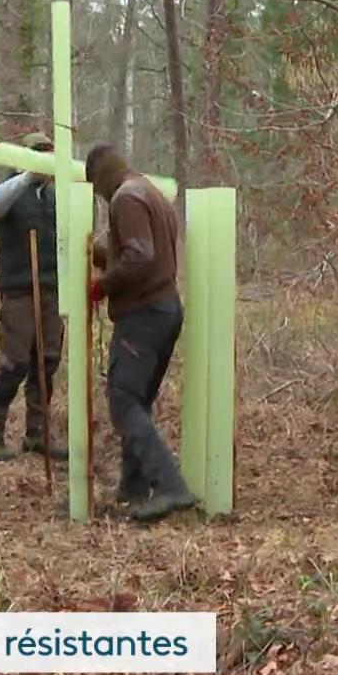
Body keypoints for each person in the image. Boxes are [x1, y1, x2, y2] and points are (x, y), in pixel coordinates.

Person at [85, 142, 195, 522]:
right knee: (138, 399)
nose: (100, 199)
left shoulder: (125, 198)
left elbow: (140, 256)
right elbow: (148, 251)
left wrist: (102, 286)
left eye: (97, 190)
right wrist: (98, 252)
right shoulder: (151, 193)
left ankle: (170, 487)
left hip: (143, 314)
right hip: (165, 309)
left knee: (123, 399)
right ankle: (133, 488)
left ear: (101, 177)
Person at [0, 132, 68, 462]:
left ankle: (37, 434)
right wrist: (29, 173)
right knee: (14, 362)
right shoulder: (10, 192)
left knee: (47, 363)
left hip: (51, 290)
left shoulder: (56, 198)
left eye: (48, 154)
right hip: (18, 290)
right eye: (38, 154)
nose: (45, 161)